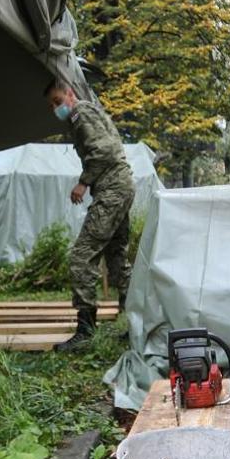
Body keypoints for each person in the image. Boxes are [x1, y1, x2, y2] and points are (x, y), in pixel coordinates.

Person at [46, 81, 134, 352]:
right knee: (117, 258)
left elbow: (104, 151)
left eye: (58, 100)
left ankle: (85, 332)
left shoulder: (80, 114)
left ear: (71, 94)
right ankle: (138, 326)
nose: (56, 108)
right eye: (52, 104)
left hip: (112, 190)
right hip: (119, 187)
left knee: (82, 256)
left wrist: (83, 182)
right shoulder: (85, 114)